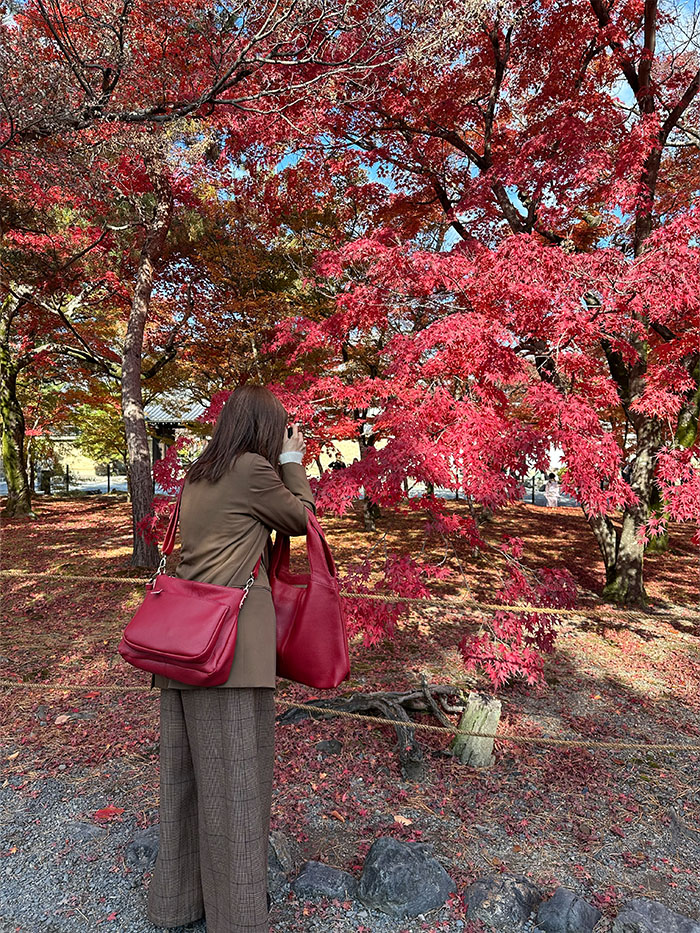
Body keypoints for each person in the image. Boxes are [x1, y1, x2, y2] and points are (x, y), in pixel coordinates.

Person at [146, 386, 314, 933]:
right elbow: (299, 521)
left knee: (188, 782)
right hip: (230, 652)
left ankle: (178, 903)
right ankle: (238, 920)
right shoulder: (250, 471)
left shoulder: (199, 472)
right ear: (266, 429)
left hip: (182, 645)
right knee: (238, 788)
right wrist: (293, 463)